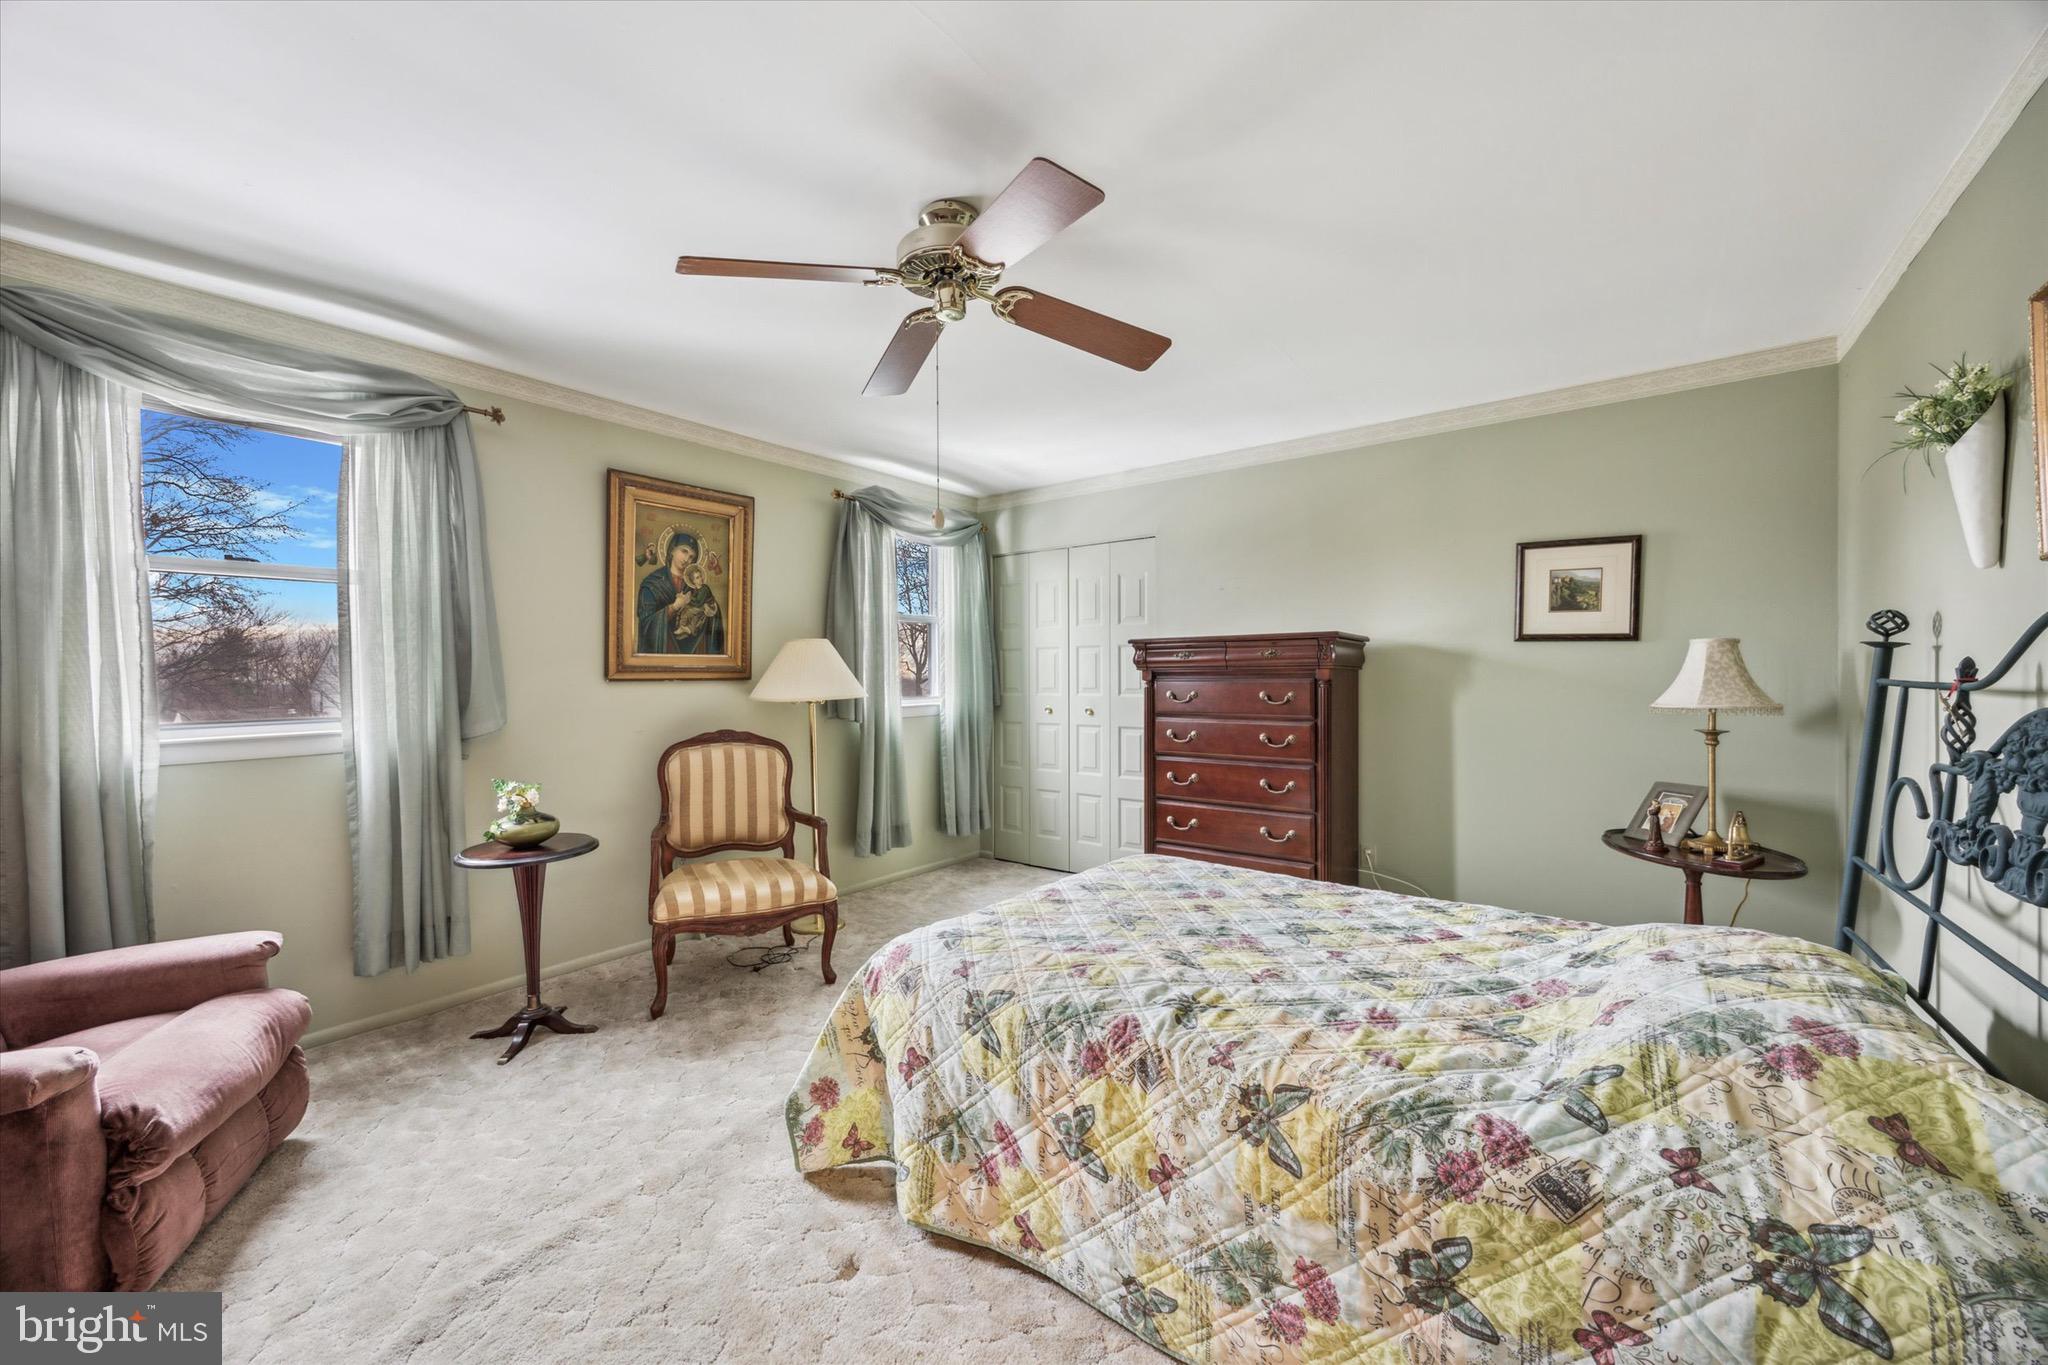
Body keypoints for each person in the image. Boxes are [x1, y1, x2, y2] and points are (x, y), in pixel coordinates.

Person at [635, 528, 724, 655]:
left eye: (692, 556)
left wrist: (711, 607)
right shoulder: (652, 584)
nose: (687, 558)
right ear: (672, 550)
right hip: (663, 652)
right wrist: (674, 607)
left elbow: (713, 617)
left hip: (694, 653)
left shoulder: (696, 586)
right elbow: (646, 624)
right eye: (684, 551)